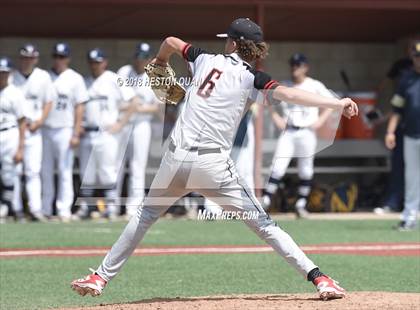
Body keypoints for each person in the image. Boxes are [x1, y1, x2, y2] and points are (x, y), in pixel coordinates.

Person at [71, 18, 357, 300]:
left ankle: (100, 277)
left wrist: (160, 61)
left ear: (232, 43)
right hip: (213, 166)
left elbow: (171, 40)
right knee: (265, 226)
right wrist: (337, 103)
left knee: (145, 216)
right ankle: (319, 278)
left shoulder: (203, 58)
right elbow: (290, 94)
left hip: (175, 160)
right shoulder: (252, 78)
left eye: (227, 39)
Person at [262, 53, 333, 217]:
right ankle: (266, 200)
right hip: (289, 131)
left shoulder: (314, 85)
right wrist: (275, 117)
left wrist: (321, 120)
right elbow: (268, 99)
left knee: (306, 169)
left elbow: (330, 103)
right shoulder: (286, 85)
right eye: (293, 65)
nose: (295, 68)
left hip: (307, 131)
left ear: (305, 67)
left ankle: (301, 204)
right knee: (278, 166)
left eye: (298, 65)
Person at [77, 48, 135, 220]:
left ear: (105, 62)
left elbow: (133, 101)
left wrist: (121, 123)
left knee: (107, 171)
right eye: (92, 62)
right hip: (87, 132)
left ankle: (111, 207)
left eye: (98, 61)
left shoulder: (114, 78)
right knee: (86, 173)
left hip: (106, 133)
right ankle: (86, 207)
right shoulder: (85, 82)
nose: (95, 65)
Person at [41, 43, 89, 221]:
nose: (58, 60)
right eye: (56, 56)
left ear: (68, 58)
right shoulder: (45, 77)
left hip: (65, 128)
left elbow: (80, 106)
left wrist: (76, 132)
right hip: (45, 129)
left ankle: (63, 209)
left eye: (62, 57)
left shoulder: (75, 78)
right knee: (44, 170)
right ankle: (46, 208)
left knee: (64, 170)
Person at [11, 44, 55, 221]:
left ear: (35, 59)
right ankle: (16, 208)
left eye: (30, 57)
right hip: (15, 130)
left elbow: (49, 101)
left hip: (35, 128)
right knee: (14, 170)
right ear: (20, 58)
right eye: (24, 57)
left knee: (33, 171)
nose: (27, 61)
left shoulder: (43, 76)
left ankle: (35, 209)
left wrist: (40, 121)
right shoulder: (12, 77)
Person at [117, 43, 159, 218]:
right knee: (117, 165)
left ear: (149, 59)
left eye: (144, 58)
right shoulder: (124, 72)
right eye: (138, 57)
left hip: (142, 124)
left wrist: (135, 107)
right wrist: (135, 106)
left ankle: (133, 208)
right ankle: (112, 207)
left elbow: (156, 107)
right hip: (123, 124)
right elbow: (118, 103)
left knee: (137, 166)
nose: (140, 61)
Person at [374, 39, 415, 214]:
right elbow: (398, 108)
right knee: (400, 168)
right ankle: (394, 202)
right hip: (407, 130)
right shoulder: (406, 78)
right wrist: (388, 128)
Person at [385, 41, 420, 231]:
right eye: (416, 56)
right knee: (412, 177)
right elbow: (397, 109)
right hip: (411, 135)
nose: (419, 60)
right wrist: (390, 131)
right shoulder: (406, 79)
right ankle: (409, 217)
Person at [0, 57, 26, 222]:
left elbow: (22, 121)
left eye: (4, 72)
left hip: (10, 133)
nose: (2, 75)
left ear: (9, 73)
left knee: (9, 172)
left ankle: (6, 207)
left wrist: (21, 147)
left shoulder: (15, 93)